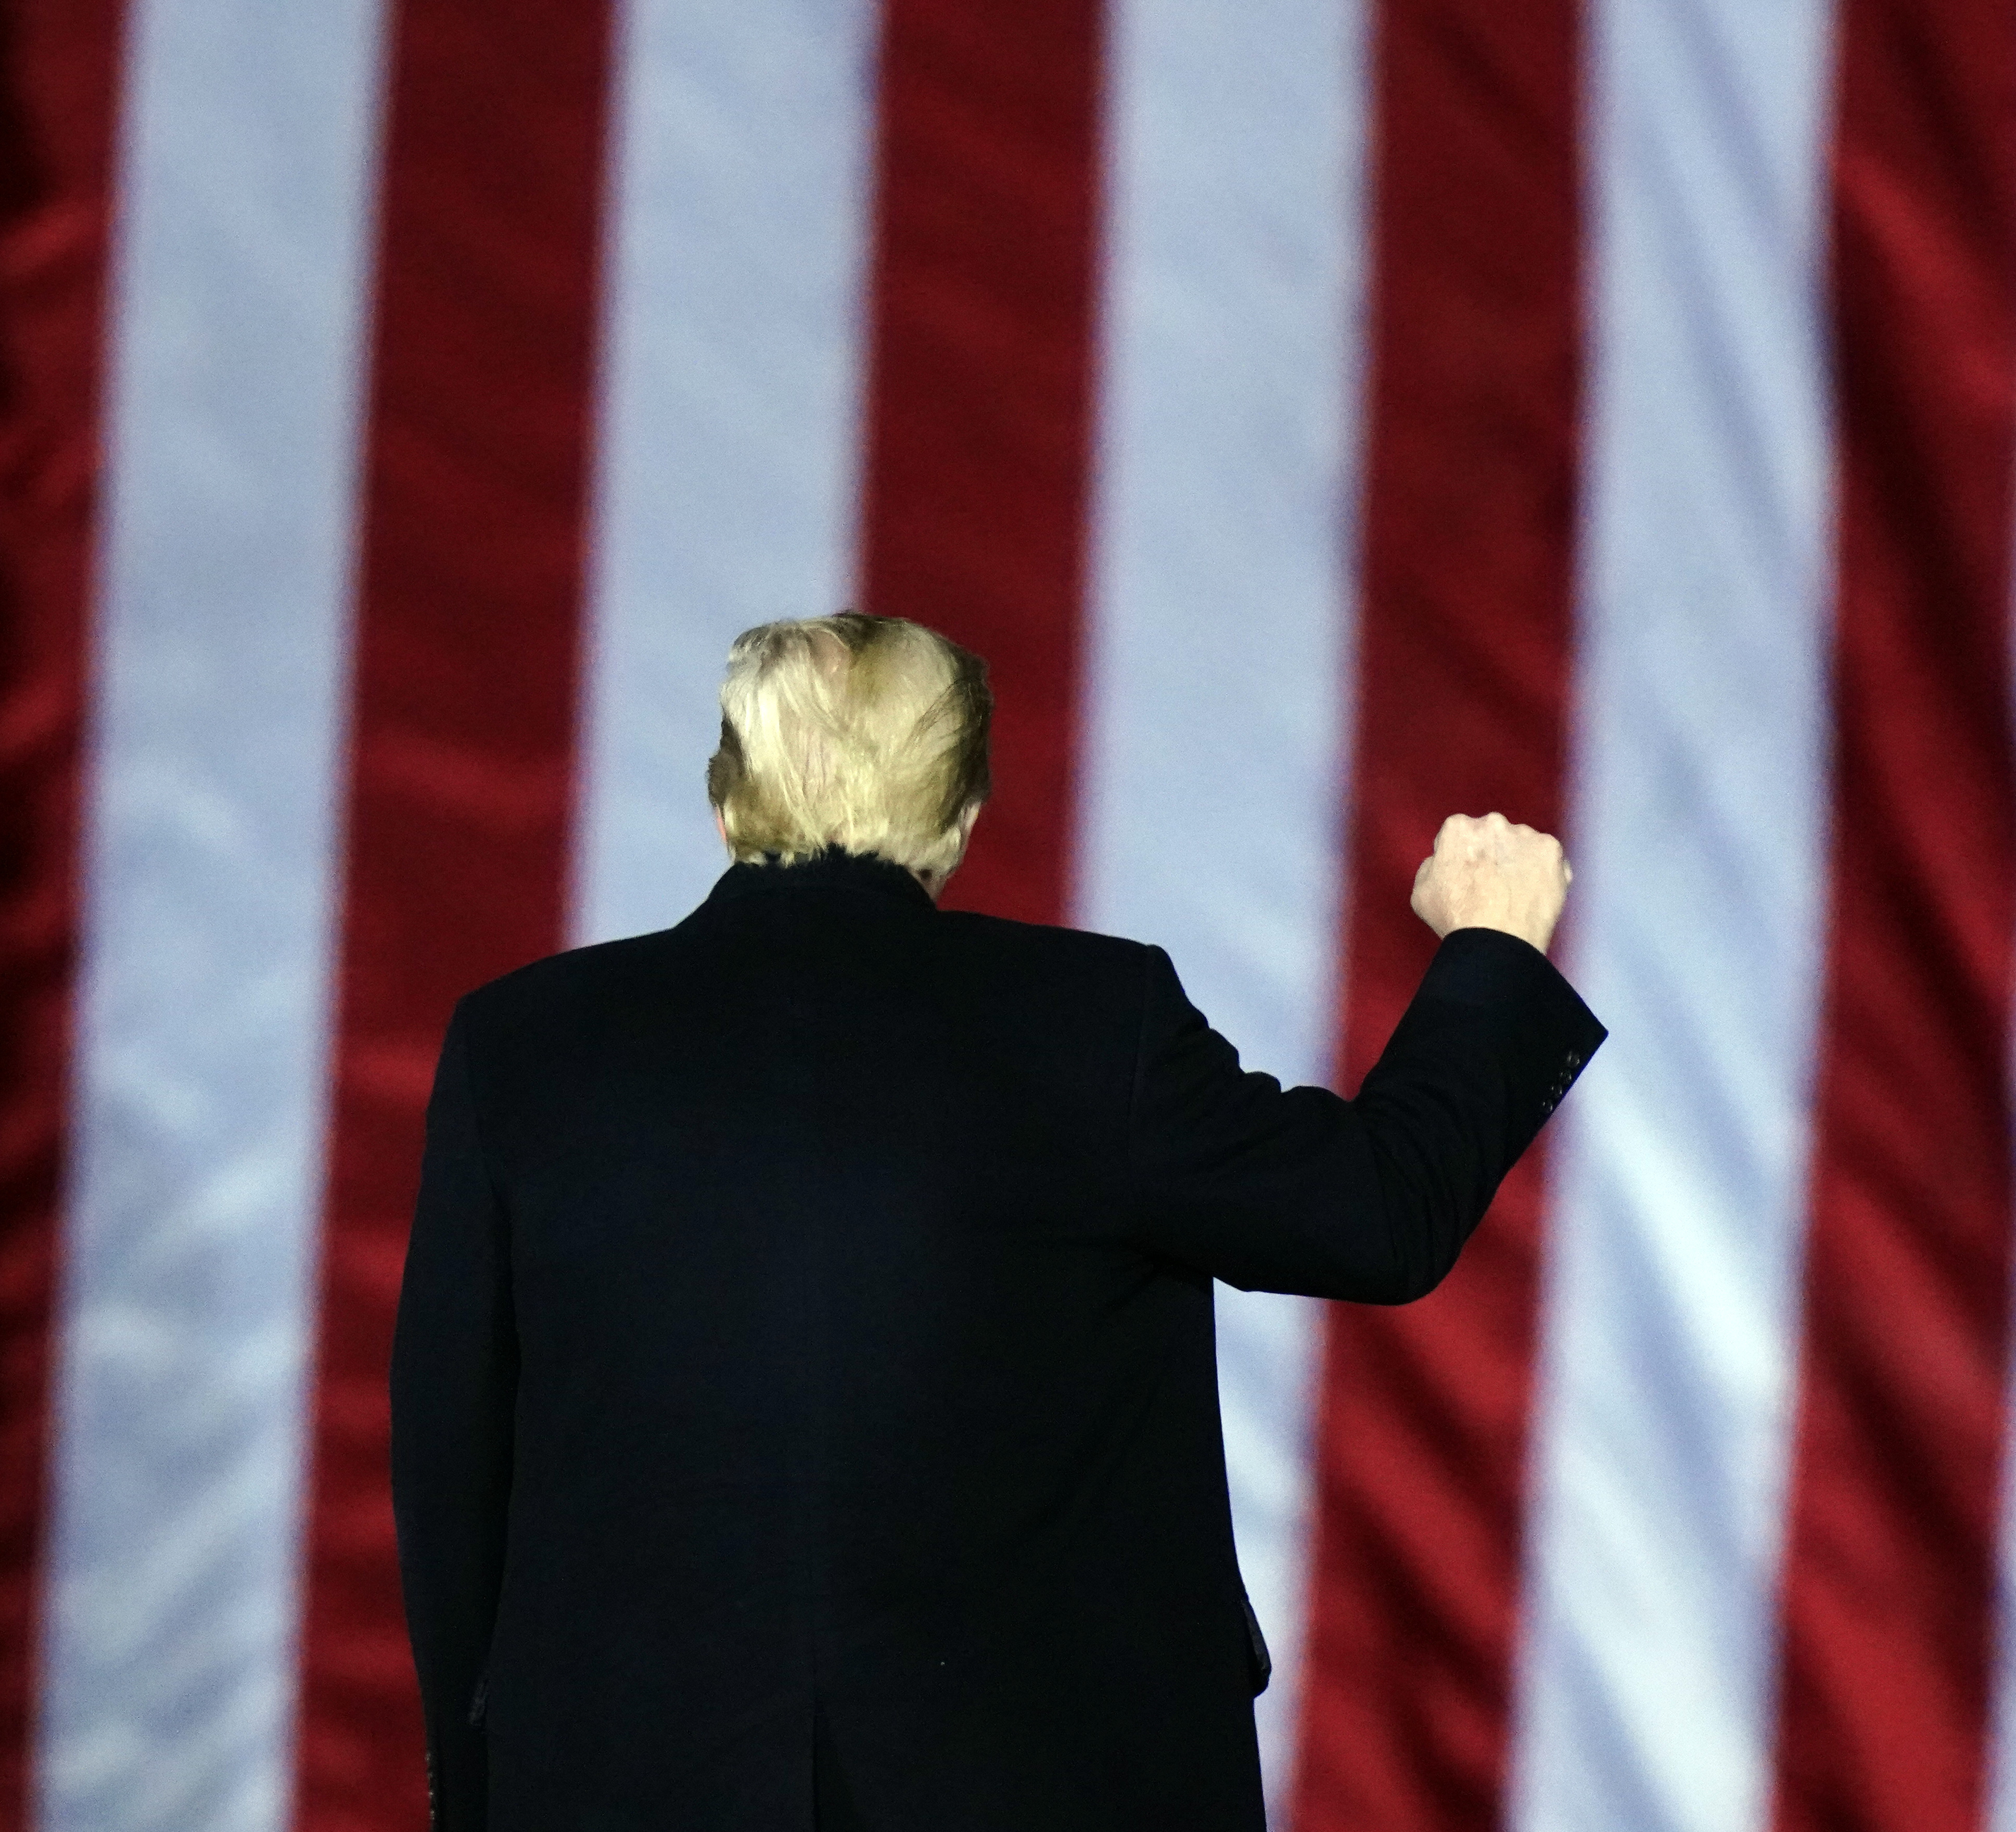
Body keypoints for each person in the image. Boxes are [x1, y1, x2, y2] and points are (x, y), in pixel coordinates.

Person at [389, 612, 1603, 1830]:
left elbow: (453, 1463)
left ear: (726, 805)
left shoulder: (523, 1049)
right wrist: (1490, 947)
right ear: (959, 820)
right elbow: (1380, 1213)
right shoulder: (1093, 1028)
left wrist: (478, 1794)